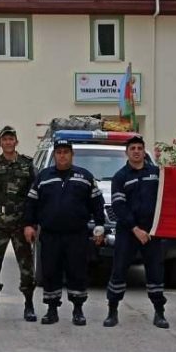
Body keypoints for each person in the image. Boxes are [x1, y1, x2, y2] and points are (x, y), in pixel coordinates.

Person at [24, 139, 105, 326]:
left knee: (77, 271)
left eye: (66, 152)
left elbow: (97, 204)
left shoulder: (84, 176)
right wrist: (29, 225)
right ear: (54, 155)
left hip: (76, 235)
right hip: (50, 234)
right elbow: (31, 203)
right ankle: (52, 310)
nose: (62, 155)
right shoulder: (44, 176)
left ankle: (78, 310)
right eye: (59, 152)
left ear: (72, 154)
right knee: (51, 271)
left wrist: (100, 227)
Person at [102, 136, 168, 329]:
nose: (137, 151)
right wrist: (135, 228)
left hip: (152, 233)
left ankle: (159, 313)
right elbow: (119, 206)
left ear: (144, 151)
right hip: (128, 232)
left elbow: (168, 196)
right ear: (127, 153)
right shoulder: (121, 176)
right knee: (119, 271)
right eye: (133, 148)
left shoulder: (156, 173)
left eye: (140, 148)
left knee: (155, 272)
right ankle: (112, 312)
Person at [0, 126, 37, 321]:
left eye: (11, 139)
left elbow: (34, 196)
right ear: (0, 143)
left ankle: (29, 305)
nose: (8, 142)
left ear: (16, 142)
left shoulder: (27, 164)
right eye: (5, 139)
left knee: (26, 266)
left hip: (21, 223)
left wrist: (31, 224)